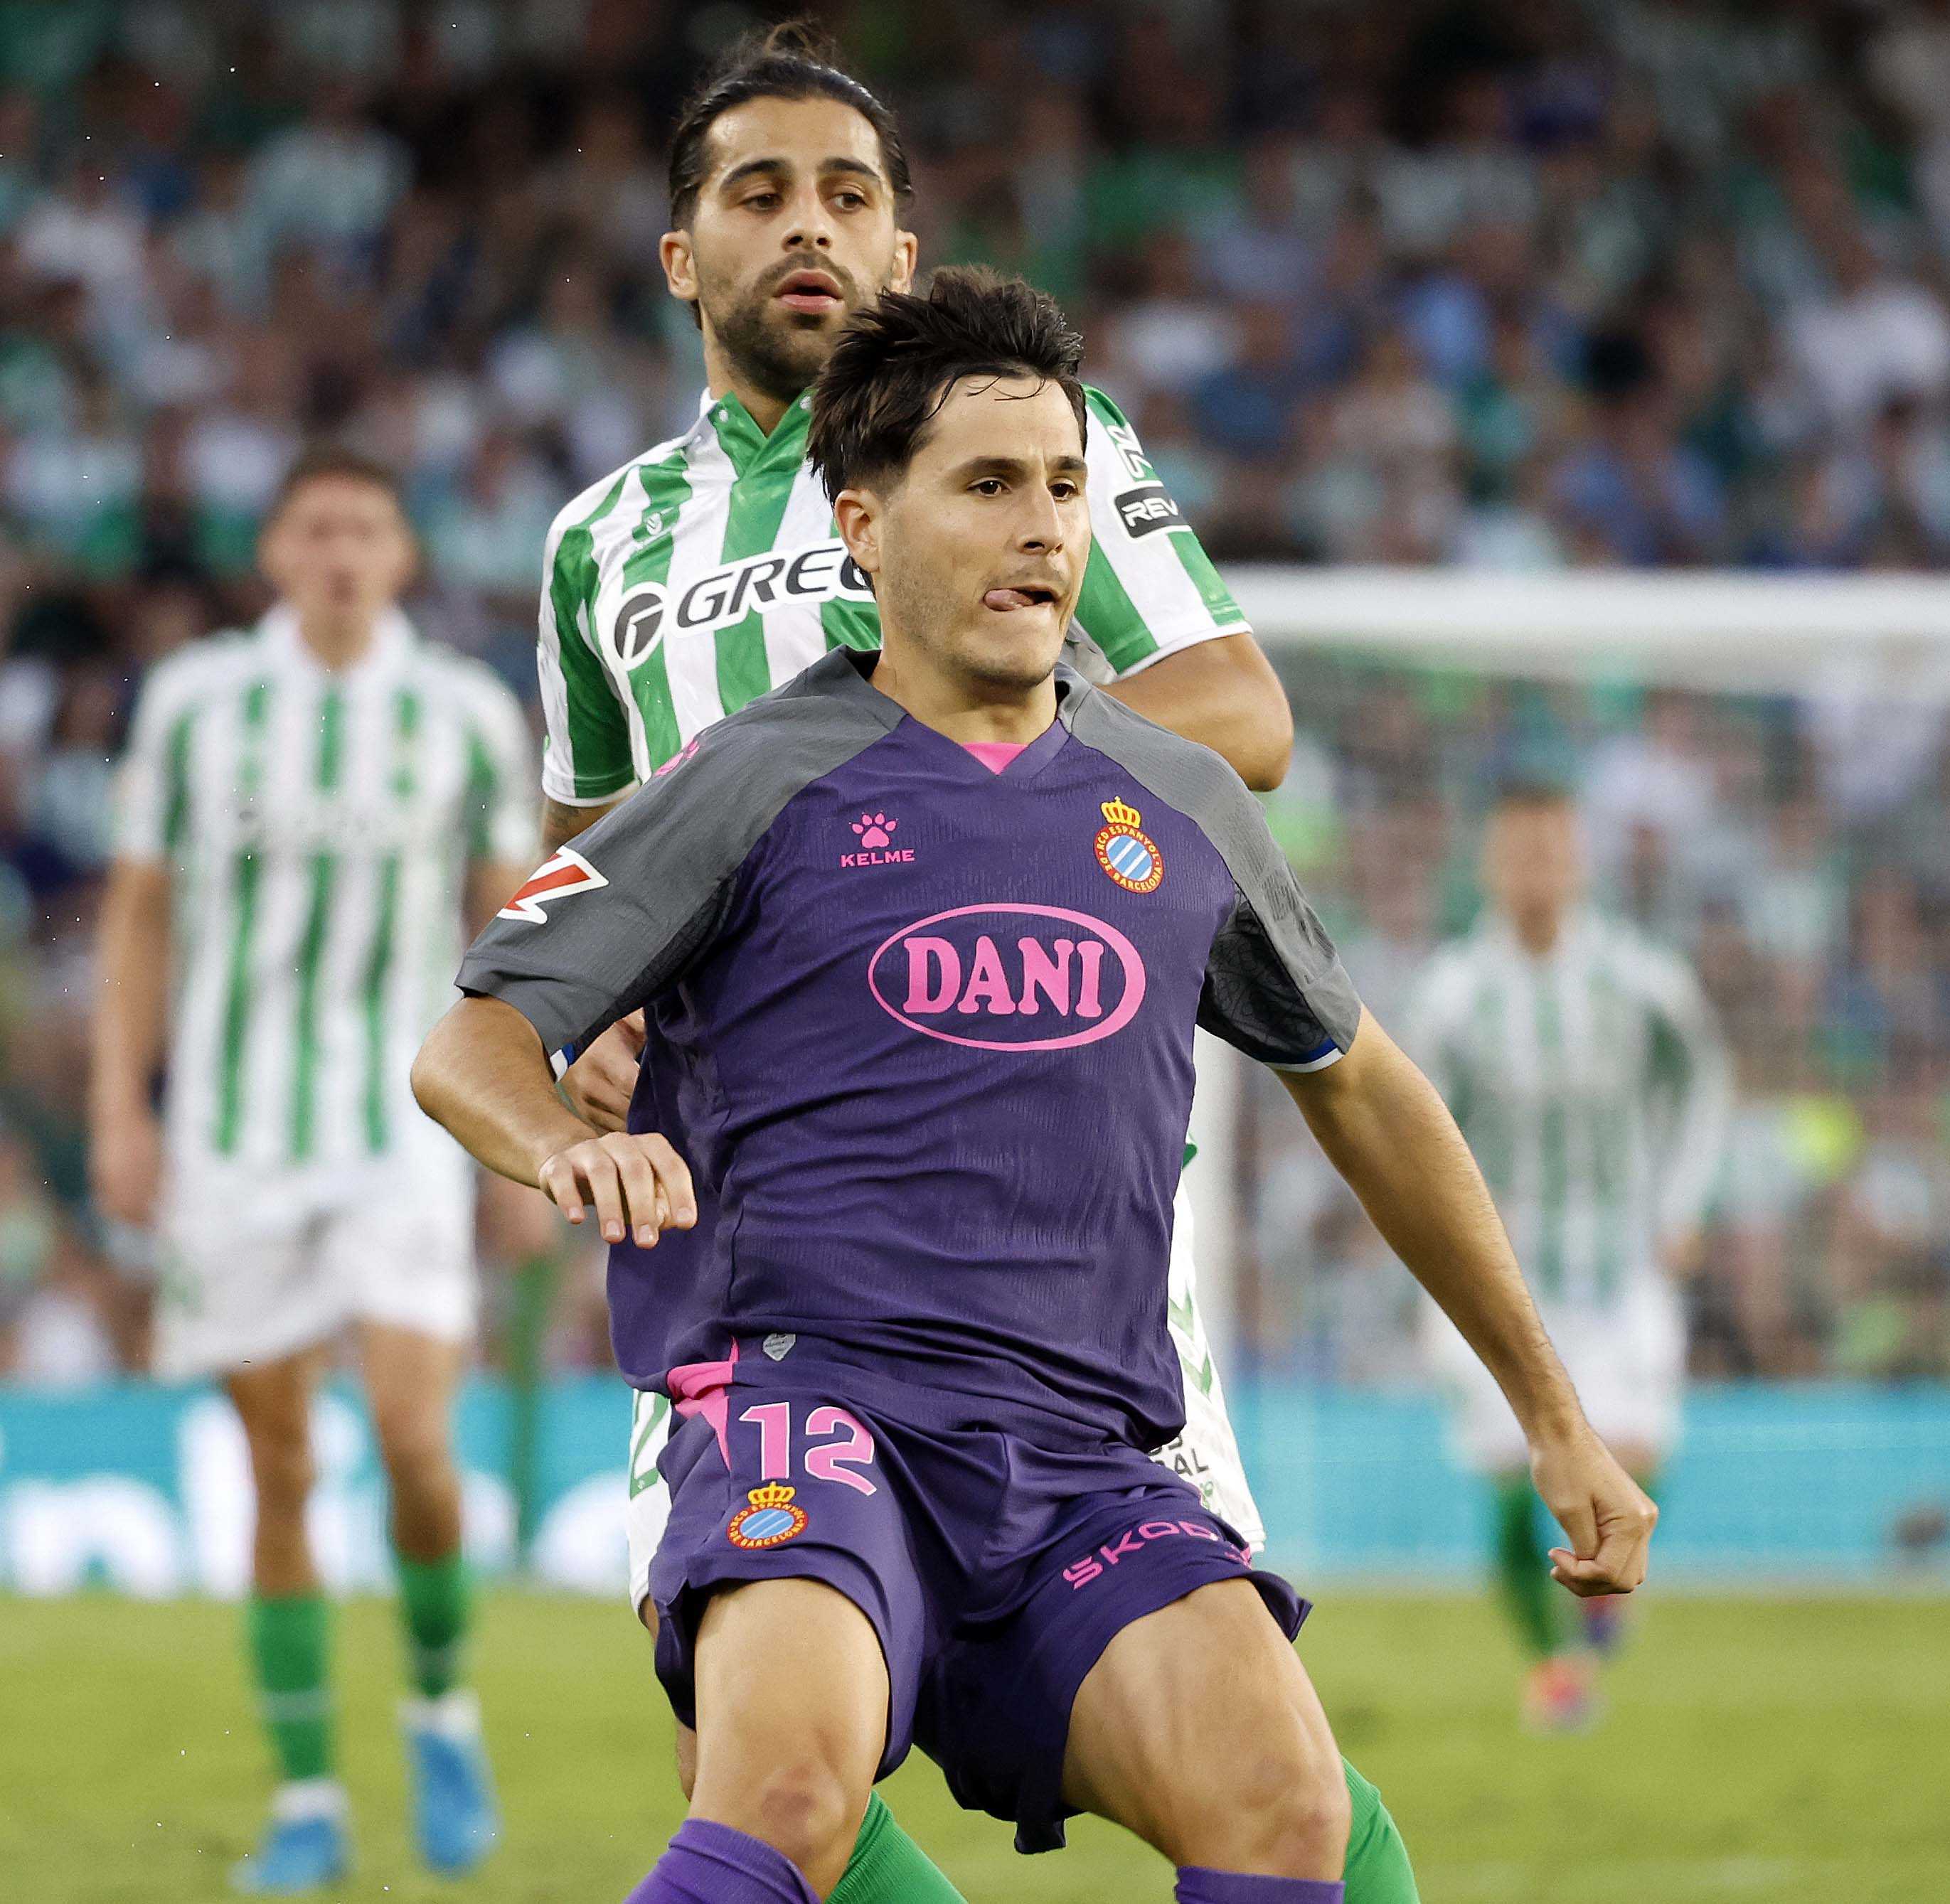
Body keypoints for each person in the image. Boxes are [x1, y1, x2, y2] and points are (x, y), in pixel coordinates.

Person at [413, 269, 1656, 1904]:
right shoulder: (747, 777)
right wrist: (557, 1148)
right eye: (988, 485)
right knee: (785, 1790)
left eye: (1065, 486)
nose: (1042, 529)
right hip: (810, 1404)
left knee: (1289, 1810)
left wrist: (1556, 1417)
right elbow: (473, 1040)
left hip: (1078, 1447)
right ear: (863, 525)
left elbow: (1364, 1090)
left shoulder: (1179, 799)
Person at [541, 28, 1302, 1902]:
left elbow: (1238, 710)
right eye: (760, 193)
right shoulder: (598, 540)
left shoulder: (1026, 445)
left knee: (1254, 1753)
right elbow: (582, 845)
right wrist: (588, 1007)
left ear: (901, 248)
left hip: (1042, 1200)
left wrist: (972, 788)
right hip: (753, 1219)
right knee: (752, 1742)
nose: (807, 225)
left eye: (850, 194)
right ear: (681, 255)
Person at [90, 447, 531, 1890]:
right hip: (233, 1141)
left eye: (366, 528)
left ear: (403, 553)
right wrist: (122, 1106)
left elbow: (509, 934)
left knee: (413, 1440)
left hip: (402, 1132)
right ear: (275, 550)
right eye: (316, 527)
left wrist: (520, 1138)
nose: (341, 551)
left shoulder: (461, 714)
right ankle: (307, 1802)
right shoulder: (197, 704)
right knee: (276, 1464)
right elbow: (139, 913)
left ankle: (439, 1705)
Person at [1405, 779, 1728, 1730]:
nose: (1536, 870)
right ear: (1489, 866)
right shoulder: (1454, 994)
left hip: (1619, 1267)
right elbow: (1409, 1124)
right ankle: (1552, 1665)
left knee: (1635, 1458)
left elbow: (1705, 1084)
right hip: (1496, 1280)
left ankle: (1594, 1608)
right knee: (1515, 1483)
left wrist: (1682, 1203)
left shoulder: (1641, 978)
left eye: (1551, 850)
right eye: (1518, 852)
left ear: (1579, 861)